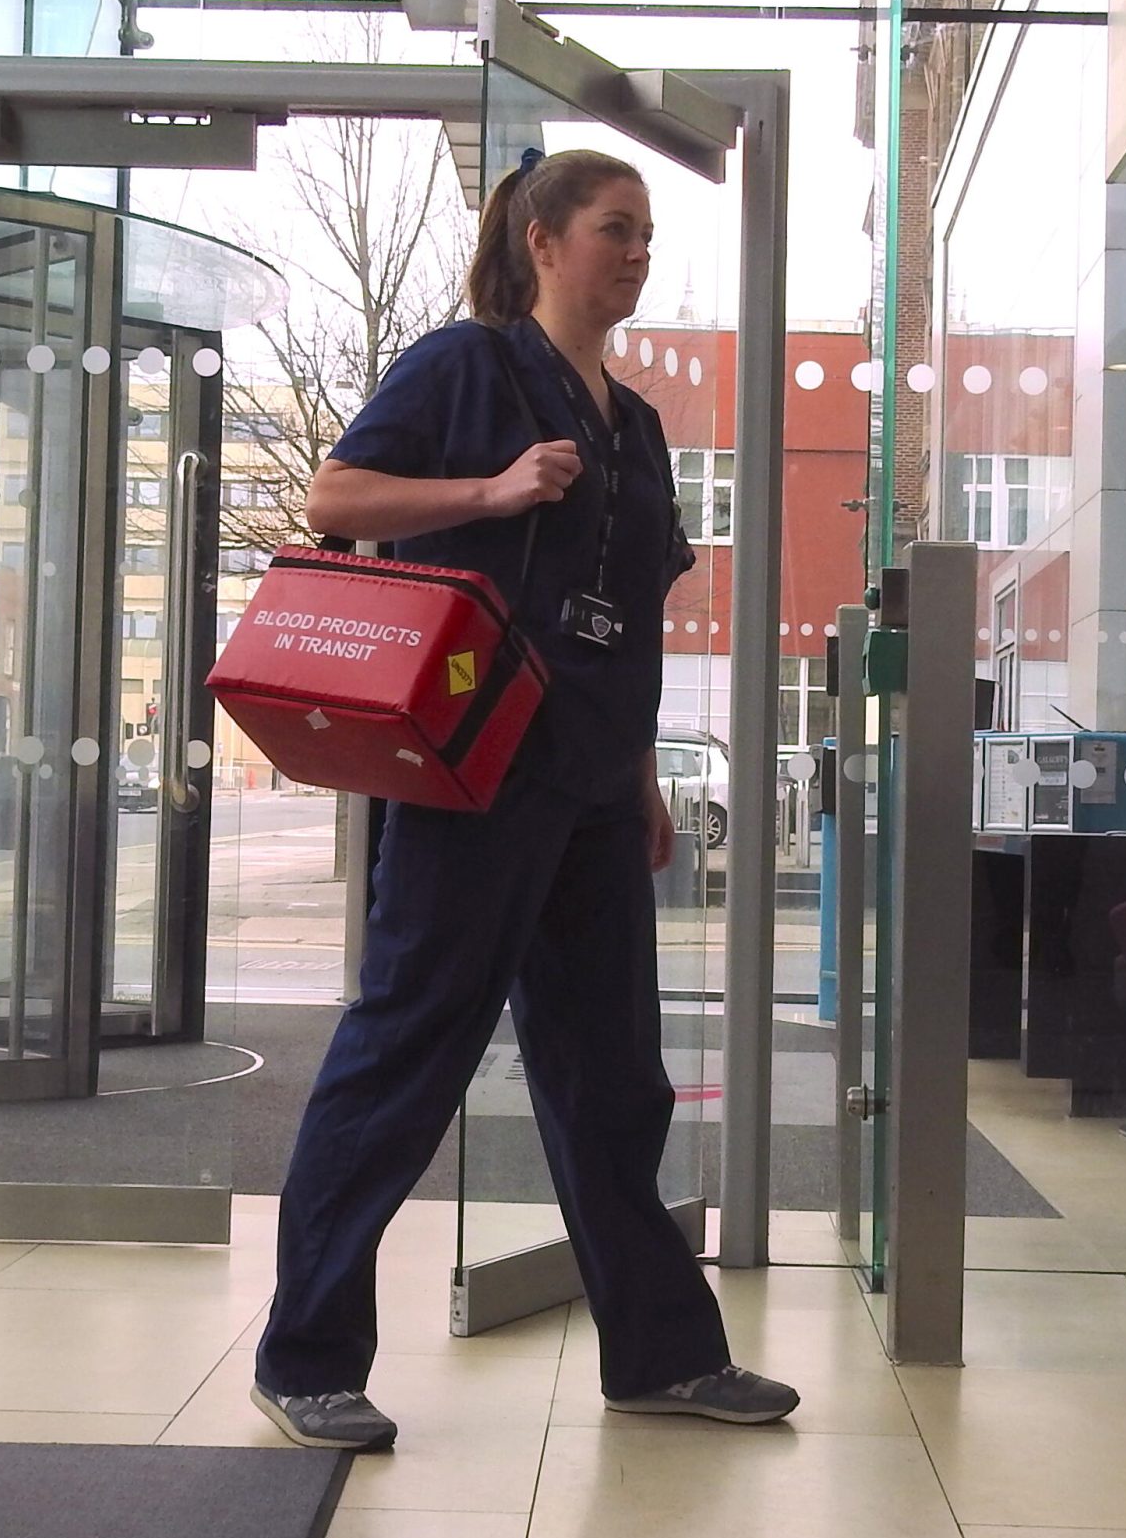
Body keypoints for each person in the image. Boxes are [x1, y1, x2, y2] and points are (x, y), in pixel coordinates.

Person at [248, 148, 798, 1449]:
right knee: (409, 1049)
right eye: (616, 229)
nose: (638, 254)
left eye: (648, 234)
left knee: (615, 1077)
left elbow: (630, 618)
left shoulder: (637, 425)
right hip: (473, 766)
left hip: (594, 779)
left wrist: (642, 774)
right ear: (543, 241)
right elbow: (336, 496)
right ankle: (305, 1356)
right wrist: (489, 492)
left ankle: (662, 1355)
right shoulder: (468, 367)